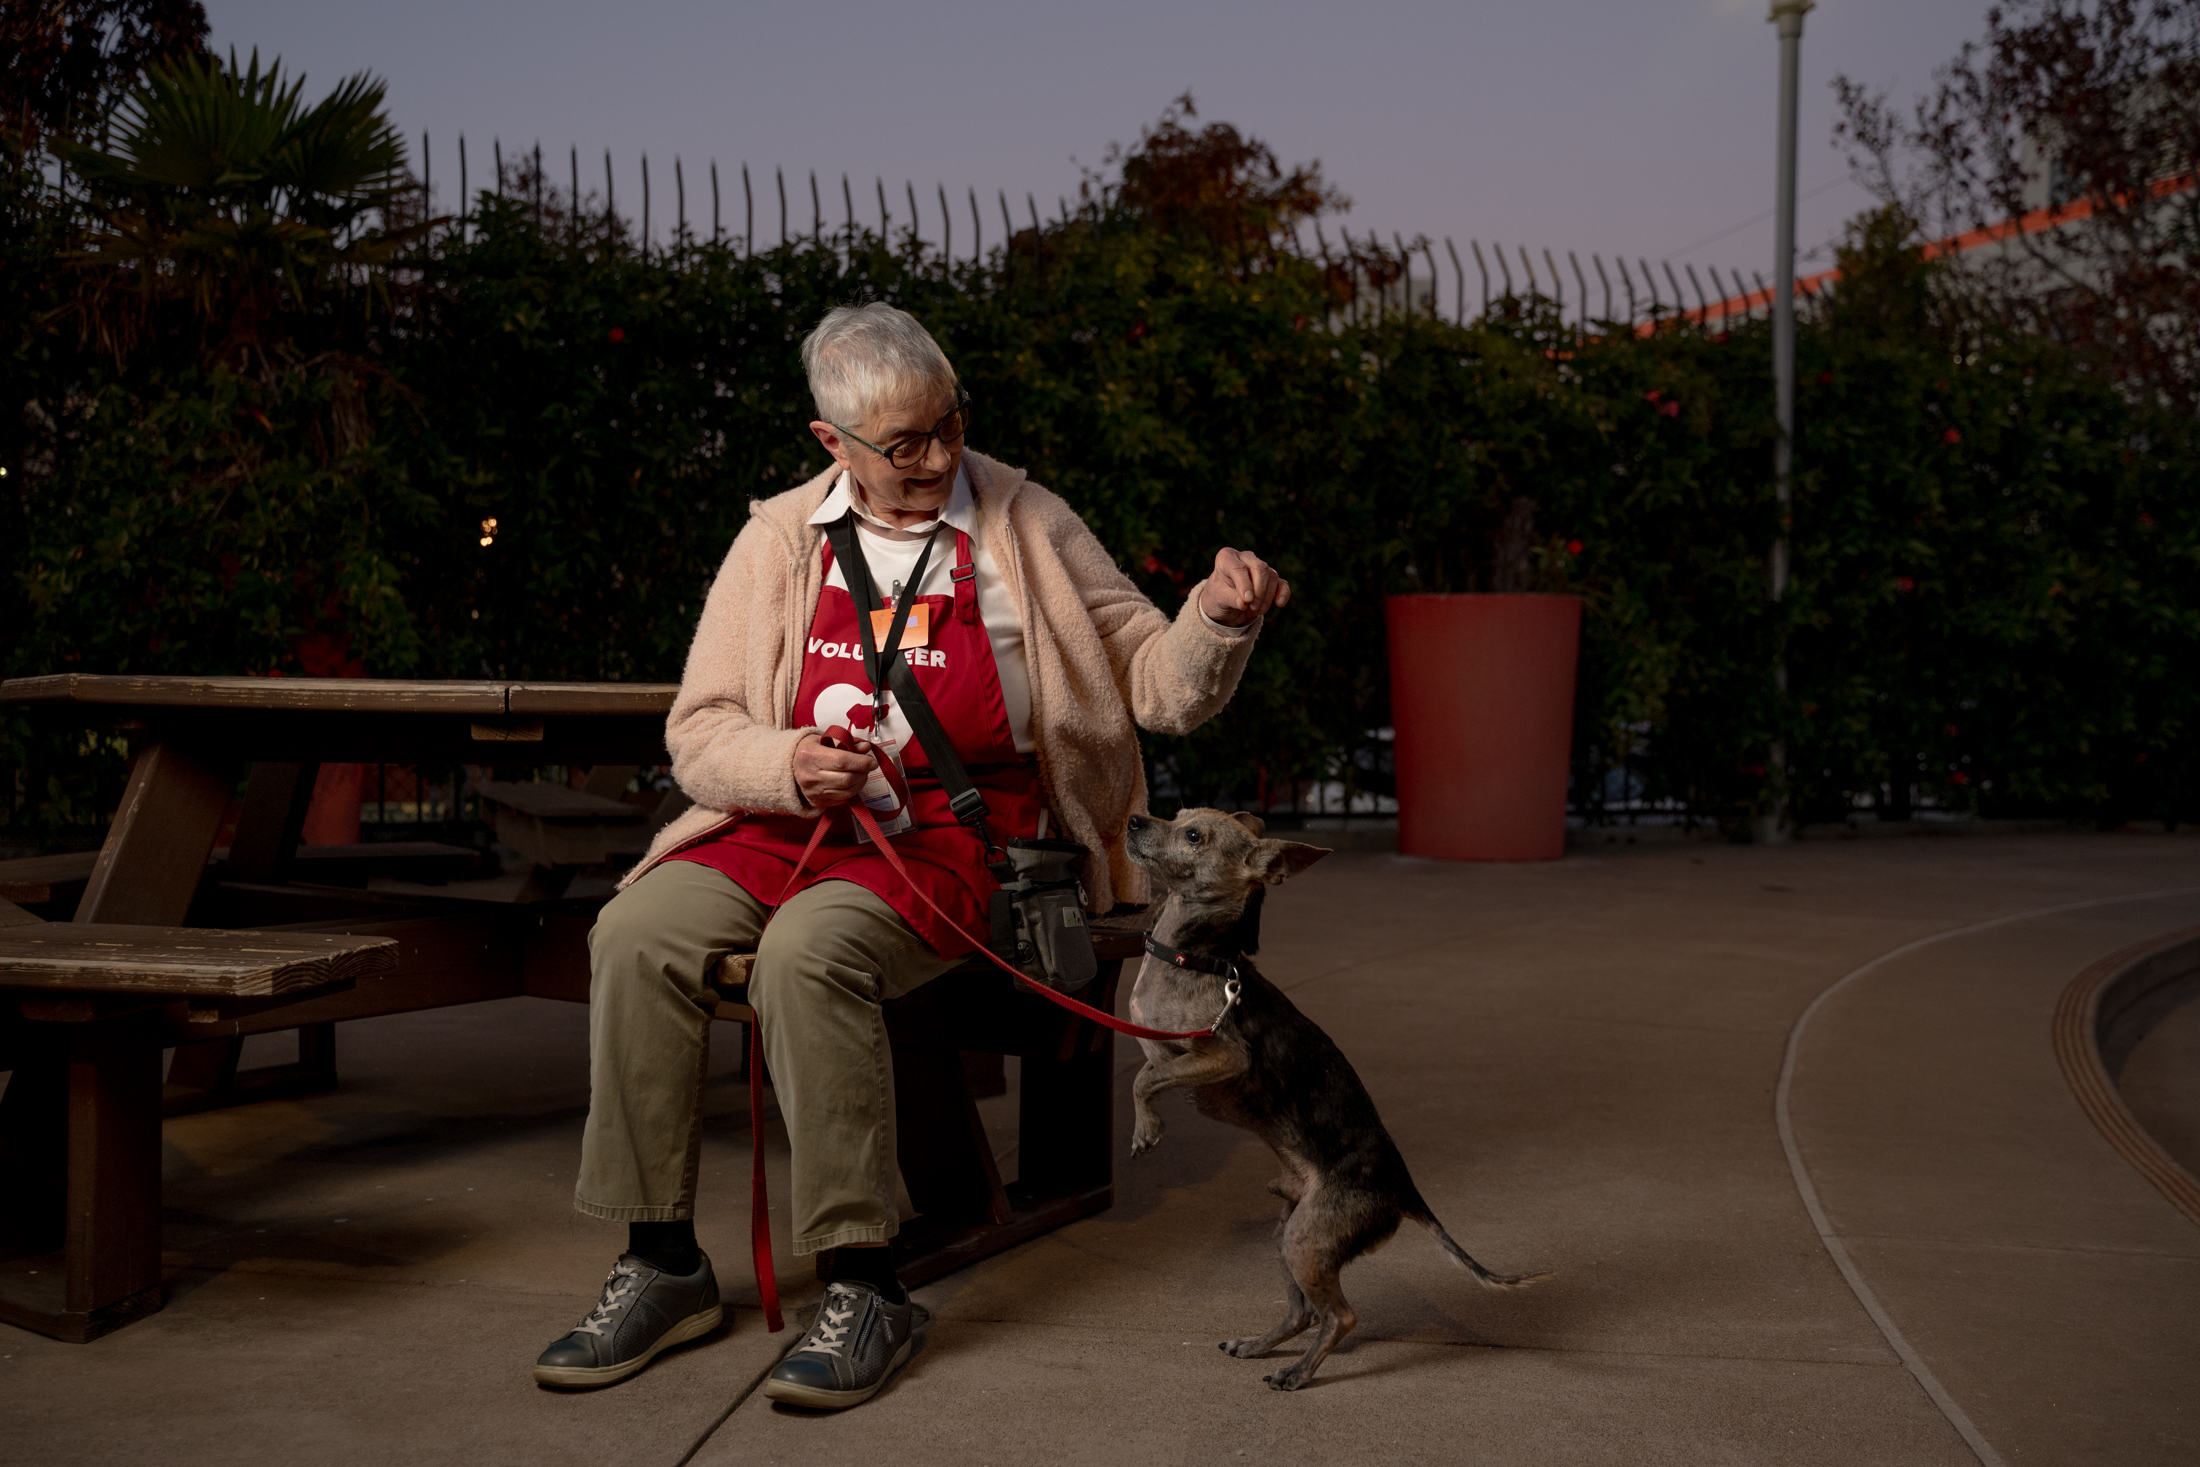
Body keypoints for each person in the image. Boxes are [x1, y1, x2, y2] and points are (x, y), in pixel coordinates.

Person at [532, 303, 1289, 1407]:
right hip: (789, 821)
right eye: (902, 446)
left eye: (948, 426)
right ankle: (662, 1264)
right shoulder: (780, 538)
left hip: (955, 835)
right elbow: (701, 729)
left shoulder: (1025, 523)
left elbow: (1152, 683)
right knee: (634, 932)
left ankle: (864, 1279)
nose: (937, 459)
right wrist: (785, 762)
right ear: (828, 443)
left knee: (806, 955)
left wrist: (1217, 620)